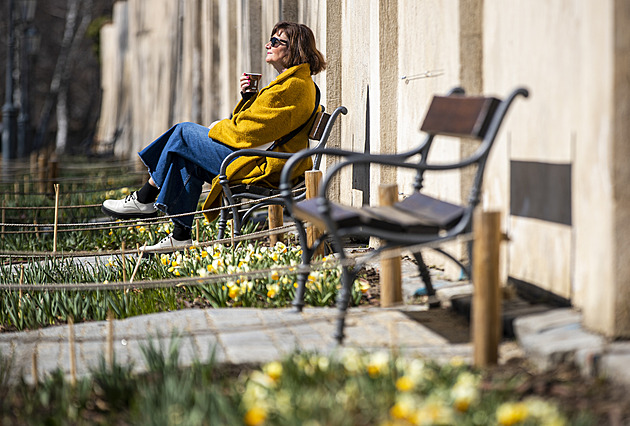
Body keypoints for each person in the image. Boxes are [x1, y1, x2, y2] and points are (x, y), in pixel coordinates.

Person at [101, 21, 326, 252]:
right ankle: (180, 236)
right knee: (186, 157)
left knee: (183, 132)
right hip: (263, 158)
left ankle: (145, 198)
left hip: (266, 166)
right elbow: (258, 126)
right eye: (270, 39)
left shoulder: (293, 86)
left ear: (295, 48)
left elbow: (247, 133)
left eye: (277, 41)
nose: (268, 44)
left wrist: (215, 129)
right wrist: (248, 97)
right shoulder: (292, 83)